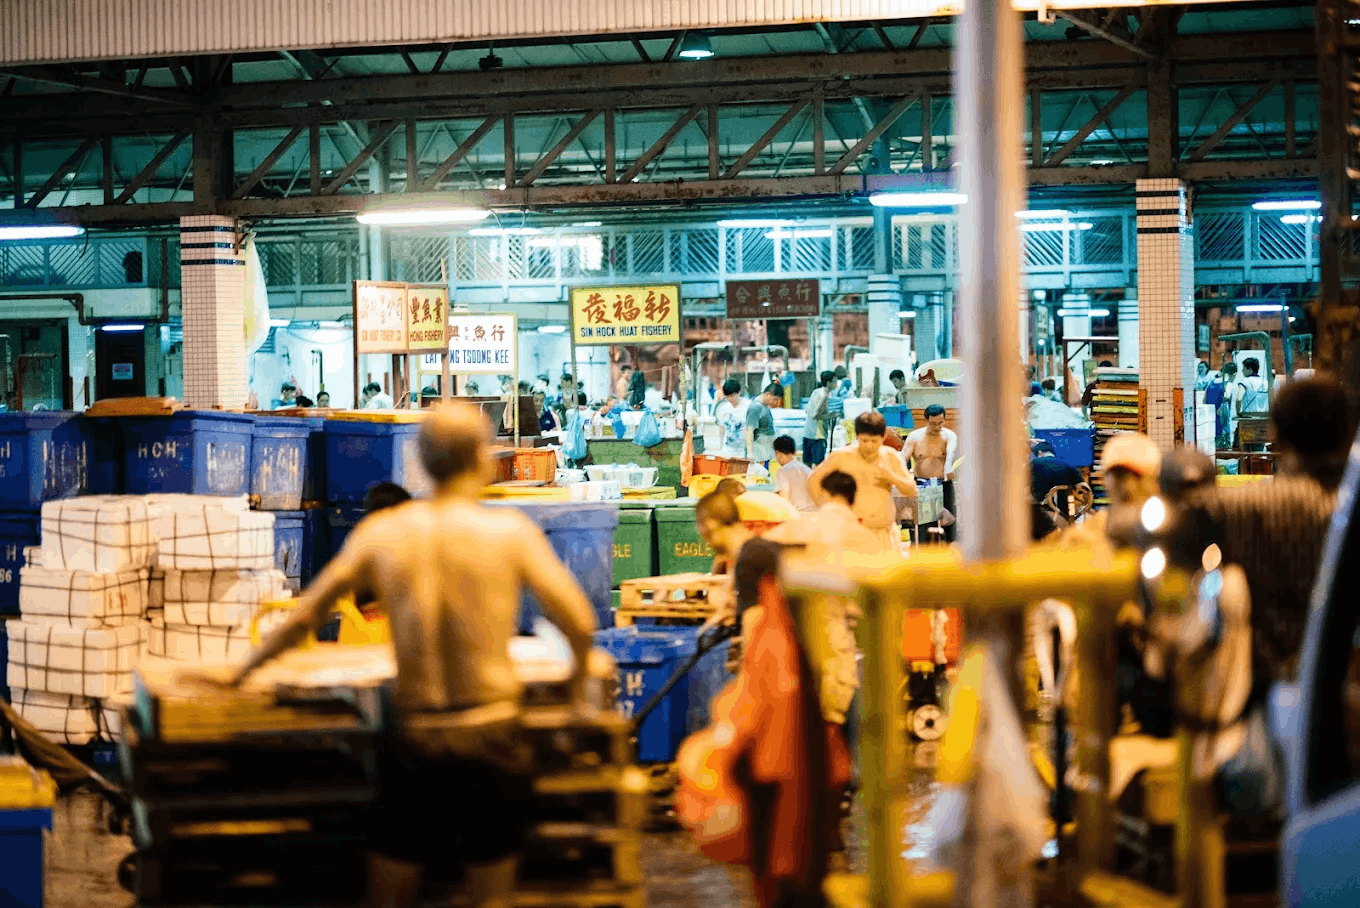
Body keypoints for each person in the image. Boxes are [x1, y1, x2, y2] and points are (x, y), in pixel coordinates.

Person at [227, 402, 598, 908]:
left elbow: (303, 617)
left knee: (390, 897)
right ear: (484, 459)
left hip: (412, 737)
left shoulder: (384, 533)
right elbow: (579, 622)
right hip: (491, 734)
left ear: (420, 461)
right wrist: (574, 693)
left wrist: (241, 673)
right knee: (490, 899)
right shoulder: (510, 533)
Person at [675, 538, 851, 908]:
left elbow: (749, 722)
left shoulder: (767, 630)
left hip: (774, 790)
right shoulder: (800, 623)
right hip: (800, 789)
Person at [809, 411, 916, 553]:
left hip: (884, 533)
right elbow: (813, 482)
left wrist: (891, 477)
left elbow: (912, 490)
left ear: (883, 437)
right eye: (864, 441)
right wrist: (827, 509)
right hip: (852, 534)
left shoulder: (890, 457)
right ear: (857, 436)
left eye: (874, 441)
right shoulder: (841, 456)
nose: (869, 446)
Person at [901, 404, 959, 543]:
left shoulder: (949, 436)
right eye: (933, 424)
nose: (937, 427)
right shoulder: (915, 437)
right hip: (922, 486)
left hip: (943, 484)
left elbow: (951, 452)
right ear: (926, 420)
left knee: (949, 528)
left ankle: (947, 552)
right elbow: (902, 459)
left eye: (940, 423)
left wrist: (948, 466)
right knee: (921, 530)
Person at [695, 489, 754, 577]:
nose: (708, 543)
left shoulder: (751, 559)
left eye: (705, 536)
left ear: (710, 524)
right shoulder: (732, 558)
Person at [1030, 441, 1085, 524]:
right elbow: (1084, 488)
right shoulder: (1068, 465)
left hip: (1039, 515)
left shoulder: (1034, 463)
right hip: (1065, 515)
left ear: (1040, 453)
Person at [772, 435, 815, 512]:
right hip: (813, 514)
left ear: (777, 453)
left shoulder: (783, 471)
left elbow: (784, 500)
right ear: (795, 452)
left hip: (795, 515)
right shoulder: (808, 470)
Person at [802, 371, 836, 467]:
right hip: (817, 435)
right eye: (834, 381)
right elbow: (815, 415)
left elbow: (807, 410)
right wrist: (830, 415)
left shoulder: (816, 391)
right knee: (819, 465)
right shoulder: (824, 396)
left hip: (807, 431)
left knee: (807, 464)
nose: (836, 384)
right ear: (828, 383)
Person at [745, 383, 781, 466]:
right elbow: (750, 431)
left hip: (766, 451)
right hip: (759, 453)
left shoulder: (765, 406)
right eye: (775, 399)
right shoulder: (756, 407)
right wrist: (749, 453)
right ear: (768, 394)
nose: (775, 402)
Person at [714, 379, 750, 460]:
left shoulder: (748, 406)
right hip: (727, 450)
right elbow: (721, 428)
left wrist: (750, 452)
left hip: (743, 451)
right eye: (727, 396)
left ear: (738, 392)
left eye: (732, 395)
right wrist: (720, 448)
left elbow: (750, 430)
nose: (730, 398)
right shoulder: (724, 408)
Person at [1207, 361, 1237, 450]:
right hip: (1222, 423)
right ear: (1234, 374)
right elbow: (1227, 396)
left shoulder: (1211, 383)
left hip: (1210, 422)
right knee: (1223, 450)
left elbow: (1204, 399)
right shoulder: (1228, 384)